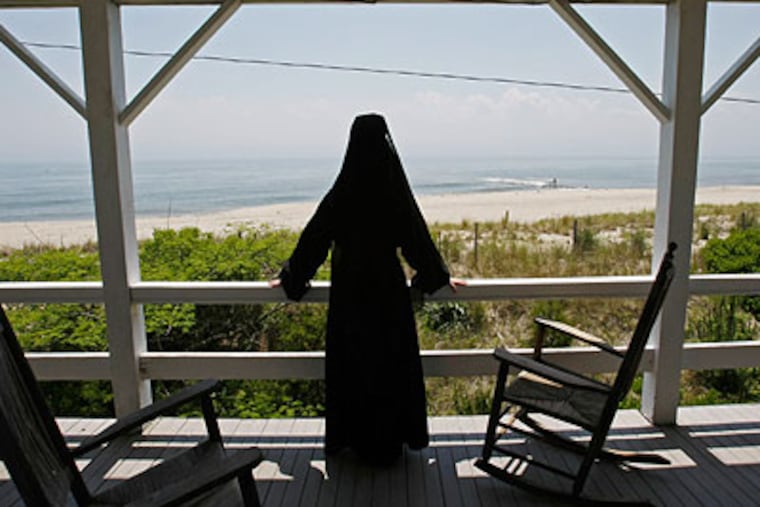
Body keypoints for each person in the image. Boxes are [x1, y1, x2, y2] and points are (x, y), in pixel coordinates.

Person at [271, 113, 463, 465]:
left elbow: (314, 239)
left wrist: (291, 279)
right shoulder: (393, 193)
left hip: (350, 294)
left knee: (354, 366)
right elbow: (417, 240)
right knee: (388, 365)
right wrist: (437, 276)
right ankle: (388, 443)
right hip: (387, 293)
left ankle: (357, 442)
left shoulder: (342, 191)